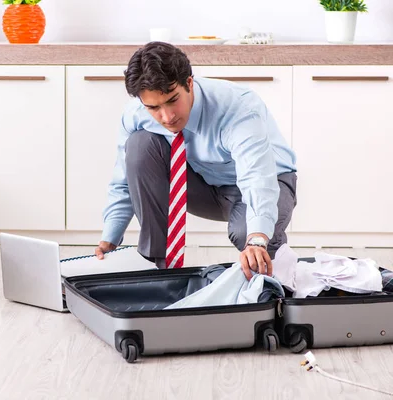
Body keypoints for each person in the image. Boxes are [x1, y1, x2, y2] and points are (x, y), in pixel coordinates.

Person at [94, 41, 297, 280]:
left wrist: (257, 239)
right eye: (153, 107)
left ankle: (277, 275)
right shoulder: (136, 114)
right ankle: (160, 271)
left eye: (172, 100)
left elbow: (257, 177)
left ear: (189, 83)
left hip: (270, 180)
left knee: (248, 236)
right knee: (139, 146)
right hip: (204, 185)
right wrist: (110, 238)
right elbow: (124, 179)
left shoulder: (238, 107)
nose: (167, 117)